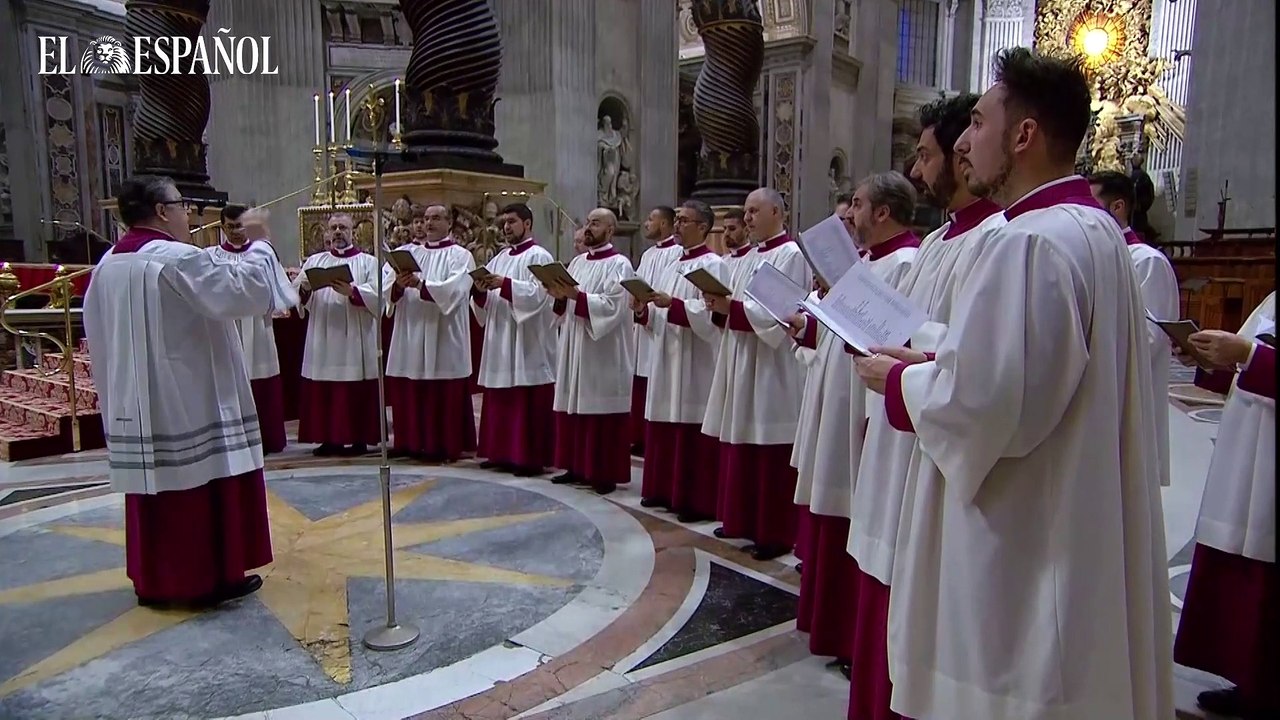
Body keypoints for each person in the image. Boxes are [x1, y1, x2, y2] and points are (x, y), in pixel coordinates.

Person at [854, 48, 1173, 719]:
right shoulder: (1094, 229)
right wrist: (934, 356)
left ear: (1023, 135)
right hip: (1073, 515)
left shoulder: (1029, 240)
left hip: (1025, 535)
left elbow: (990, 407)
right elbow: (1025, 365)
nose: (964, 143)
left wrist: (900, 383)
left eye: (977, 123)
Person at [843, 93, 1004, 720]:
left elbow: (976, 361)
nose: (916, 169)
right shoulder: (940, 239)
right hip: (898, 431)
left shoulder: (997, 240)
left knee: (915, 590)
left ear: (963, 155)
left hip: (932, 441)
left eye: (925, 155)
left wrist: (908, 361)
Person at [83, 175, 298, 607]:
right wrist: (260, 241)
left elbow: (96, 326)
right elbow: (244, 293)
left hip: (135, 396)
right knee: (197, 482)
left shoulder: (109, 262)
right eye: (182, 205)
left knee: (155, 488)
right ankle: (200, 580)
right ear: (162, 212)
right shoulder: (174, 257)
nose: (188, 213)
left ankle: (154, 580)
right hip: (187, 395)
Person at [787, 172, 920, 673]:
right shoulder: (865, 262)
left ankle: (848, 636)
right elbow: (833, 333)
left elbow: (898, 339)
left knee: (853, 512)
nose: (851, 216)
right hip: (837, 396)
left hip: (865, 405)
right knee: (832, 505)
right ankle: (827, 624)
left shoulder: (907, 263)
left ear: (882, 212)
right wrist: (808, 323)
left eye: (857, 206)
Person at [1173, 292, 1276, 720]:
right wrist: (1212, 359)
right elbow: (1244, 366)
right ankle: (1254, 684)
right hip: (1248, 447)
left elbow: (1254, 355)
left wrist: (1248, 355)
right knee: (1241, 563)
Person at [701, 188, 813, 561]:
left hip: (771, 365)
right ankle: (744, 520)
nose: (747, 218)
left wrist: (730, 308)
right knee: (744, 440)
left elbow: (780, 314)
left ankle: (774, 532)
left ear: (776, 212)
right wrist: (717, 305)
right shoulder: (751, 255)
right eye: (746, 212)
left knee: (769, 447)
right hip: (742, 357)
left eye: (753, 211)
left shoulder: (790, 255)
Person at [634, 199, 728, 520]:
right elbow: (656, 311)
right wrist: (643, 310)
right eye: (676, 219)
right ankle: (662, 490)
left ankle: (694, 501)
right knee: (663, 420)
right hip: (665, 352)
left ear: (703, 227)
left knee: (690, 426)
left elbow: (713, 314)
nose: (677, 225)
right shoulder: (671, 264)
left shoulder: (714, 264)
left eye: (684, 221)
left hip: (695, 359)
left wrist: (672, 305)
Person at [1090, 170, 1179, 487]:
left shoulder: (1146, 261)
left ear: (1118, 207)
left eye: (1091, 204)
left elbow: (1150, 338)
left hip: (1129, 400)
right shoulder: (1094, 255)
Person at [548, 208, 637, 494]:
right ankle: (575, 466)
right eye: (587, 222)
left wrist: (576, 296)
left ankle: (603, 472)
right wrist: (559, 297)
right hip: (574, 342)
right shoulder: (577, 262)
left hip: (603, 350)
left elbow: (614, 305)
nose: (588, 227)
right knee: (574, 403)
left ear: (610, 231)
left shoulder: (620, 264)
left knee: (600, 411)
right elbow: (565, 304)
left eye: (595, 223)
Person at [383, 203, 477, 462]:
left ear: (449, 223)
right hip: (410, 330)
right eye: (426, 218)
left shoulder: (461, 256)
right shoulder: (407, 253)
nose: (429, 223)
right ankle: (409, 442)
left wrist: (420, 284)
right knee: (410, 383)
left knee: (442, 389)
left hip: (444, 332)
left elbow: (456, 290)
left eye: (436, 218)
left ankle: (444, 445)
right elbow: (386, 288)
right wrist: (398, 286)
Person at [471, 203, 558, 476]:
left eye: (512, 221)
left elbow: (540, 295)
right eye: (504, 223)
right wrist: (480, 292)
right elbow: (486, 302)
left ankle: (528, 458)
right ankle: (500, 453)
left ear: (527, 224)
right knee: (501, 396)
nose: (506, 227)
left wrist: (505, 284)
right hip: (500, 336)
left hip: (528, 340)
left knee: (525, 398)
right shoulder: (499, 258)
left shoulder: (540, 256)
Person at [293, 212, 382, 456]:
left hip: (355, 336)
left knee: (355, 388)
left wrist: (353, 292)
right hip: (323, 334)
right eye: (333, 228)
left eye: (343, 227)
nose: (338, 232)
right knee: (326, 389)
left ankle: (359, 439)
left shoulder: (368, 262)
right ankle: (329, 439)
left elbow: (380, 297)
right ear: (327, 232)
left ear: (354, 232)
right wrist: (304, 288)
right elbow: (295, 295)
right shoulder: (314, 262)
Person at [209, 204, 290, 455]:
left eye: (240, 226)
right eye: (231, 227)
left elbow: (280, 290)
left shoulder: (263, 253)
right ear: (222, 227)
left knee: (262, 378)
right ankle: (234, 440)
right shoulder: (212, 256)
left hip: (258, 326)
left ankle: (267, 439)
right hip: (226, 326)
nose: (236, 231)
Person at [629, 206, 682, 457]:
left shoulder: (677, 254)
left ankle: (651, 438)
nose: (646, 223)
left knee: (656, 377)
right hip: (645, 319)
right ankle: (639, 435)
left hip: (663, 322)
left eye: (651, 219)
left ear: (664, 224)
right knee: (641, 379)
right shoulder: (648, 254)